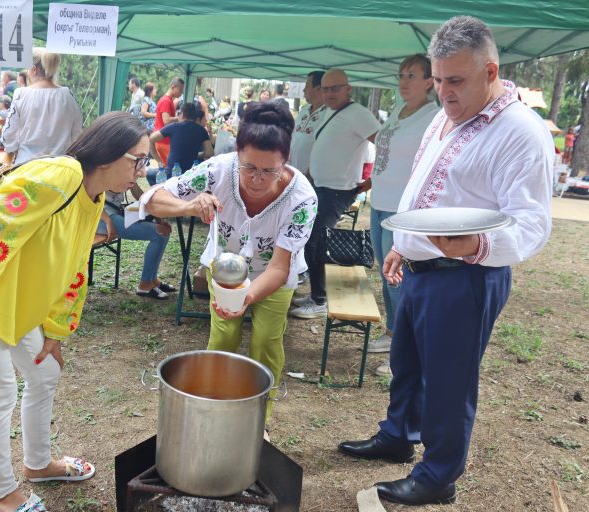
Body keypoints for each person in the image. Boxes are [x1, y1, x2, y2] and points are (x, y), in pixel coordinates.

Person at [337, 16, 553, 507]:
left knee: (449, 379)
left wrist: (473, 247)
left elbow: (532, 224)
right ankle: (398, 434)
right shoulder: (447, 113)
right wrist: (403, 245)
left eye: (455, 80)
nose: (443, 92)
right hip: (423, 266)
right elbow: (427, 185)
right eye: (437, 79)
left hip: (466, 275)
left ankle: (438, 475)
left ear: (491, 71)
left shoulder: (521, 131)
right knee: (407, 360)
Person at [0, 111, 149, 512]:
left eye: (145, 162)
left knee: (45, 370)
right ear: (106, 156)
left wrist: (56, 329)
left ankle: (38, 465)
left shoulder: (95, 195)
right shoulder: (61, 175)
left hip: (20, 306)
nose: (140, 172)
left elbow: (74, 267)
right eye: (137, 160)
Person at [140, 102, 317, 421]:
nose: (258, 179)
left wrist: (245, 298)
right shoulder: (217, 170)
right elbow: (153, 199)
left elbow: (279, 267)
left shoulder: (302, 198)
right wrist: (190, 206)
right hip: (224, 272)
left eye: (269, 171)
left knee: (265, 343)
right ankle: (214, 411)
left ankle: (258, 421)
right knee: (222, 339)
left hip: (274, 278)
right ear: (237, 154)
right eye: (249, 168)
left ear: (285, 162)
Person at [362, 55, 439, 376]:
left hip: (403, 210)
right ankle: (393, 332)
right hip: (380, 202)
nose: (404, 81)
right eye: (401, 75)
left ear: (430, 81)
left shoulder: (434, 116)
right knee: (384, 274)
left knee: (399, 279)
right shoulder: (397, 110)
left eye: (412, 75)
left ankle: (407, 352)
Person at [290, 68, 380, 319]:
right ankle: (316, 294)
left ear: (347, 89)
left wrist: (374, 180)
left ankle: (321, 299)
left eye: (335, 88)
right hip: (320, 185)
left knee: (316, 240)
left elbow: (383, 144)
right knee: (310, 237)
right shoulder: (331, 112)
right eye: (326, 88)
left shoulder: (358, 114)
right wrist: (309, 172)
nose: (329, 93)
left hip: (337, 190)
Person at [1, 48, 83, 165]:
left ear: (33, 69)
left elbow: (9, 134)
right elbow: (77, 133)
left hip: (27, 167)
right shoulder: (68, 96)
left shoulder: (21, 95)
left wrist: (12, 151)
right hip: (61, 169)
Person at [97, 181, 175, 299]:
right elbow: (91, 198)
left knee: (164, 230)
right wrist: (108, 221)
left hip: (117, 212)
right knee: (159, 233)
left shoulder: (128, 167)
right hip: (101, 218)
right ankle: (145, 285)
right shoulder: (104, 167)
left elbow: (140, 195)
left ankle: (152, 279)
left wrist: (158, 217)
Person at [148, 102, 213, 182]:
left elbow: (150, 139)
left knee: (149, 173)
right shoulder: (201, 130)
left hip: (172, 174)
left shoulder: (174, 126)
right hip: (191, 174)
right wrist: (197, 154)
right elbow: (209, 153)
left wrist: (160, 161)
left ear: (182, 114)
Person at [289, 71, 326, 179]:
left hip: (314, 177)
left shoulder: (329, 114)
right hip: (294, 172)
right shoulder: (303, 111)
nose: (304, 90)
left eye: (307, 86)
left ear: (318, 88)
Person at [153, 77, 185, 166]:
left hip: (163, 139)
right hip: (163, 141)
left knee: (168, 168)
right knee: (169, 168)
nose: (181, 92)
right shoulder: (166, 101)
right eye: (180, 90)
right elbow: (166, 120)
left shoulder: (168, 100)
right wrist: (179, 118)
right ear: (173, 86)